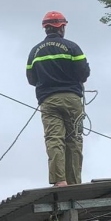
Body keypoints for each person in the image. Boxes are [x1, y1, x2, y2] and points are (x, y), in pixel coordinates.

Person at [26, 11, 90, 187]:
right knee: (74, 140)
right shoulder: (72, 47)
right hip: (72, 99)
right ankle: (75, 183)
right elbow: (84, 73)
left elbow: (31, 79)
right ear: (61, 27)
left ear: (45, 28)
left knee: (54, 139)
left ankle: (60, 181)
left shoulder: (35, 52)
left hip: (48, 101)